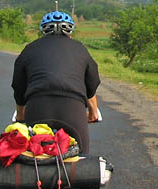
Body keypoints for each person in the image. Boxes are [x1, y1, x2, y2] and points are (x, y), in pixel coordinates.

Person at [11, 10, 101, 154]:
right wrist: (92, 113)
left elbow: (19, 88)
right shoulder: (80, 49)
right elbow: (91, 85)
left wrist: (20, 116)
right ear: (70, 31)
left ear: (43, 31)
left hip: (37, 107)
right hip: (72, 109)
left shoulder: (30, 49)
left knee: (34, 154)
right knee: (82, 157)